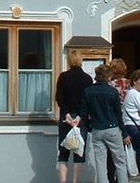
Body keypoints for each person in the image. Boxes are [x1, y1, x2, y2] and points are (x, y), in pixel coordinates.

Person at [80, 63, 130, 183]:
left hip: (97, 128)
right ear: (108, 77)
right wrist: (124, 133)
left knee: (100, 163)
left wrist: (88, 128)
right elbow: (118, 114)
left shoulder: (88, 91)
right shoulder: (112, 92)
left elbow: (83, 113)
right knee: (120, 162)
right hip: (112, 127)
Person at [56, 51, 93, 183]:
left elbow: (59, 98)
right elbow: (87, 100)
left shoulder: (63, 77)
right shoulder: (87, 79)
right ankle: (76, 181)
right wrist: (80, 116)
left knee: (63, 151)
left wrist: (66, 113)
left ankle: (63, 180)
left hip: (66, 117)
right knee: (79, 151)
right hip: (80, 118)